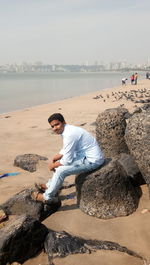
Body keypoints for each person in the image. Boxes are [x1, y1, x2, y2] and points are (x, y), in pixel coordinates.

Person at [32, 113, 105, 202]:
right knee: (59, 162)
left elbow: (67, 160)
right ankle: (50, 186)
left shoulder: (70, 134)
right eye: (52, 126)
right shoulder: (68, 130)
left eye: (57, 124)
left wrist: (53, 165)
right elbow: (67, 148)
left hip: (93, 161)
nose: (55, 128)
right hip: (84, 156)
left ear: (64, 122)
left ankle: (47, 197)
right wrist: (58, 155)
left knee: (60, 171)